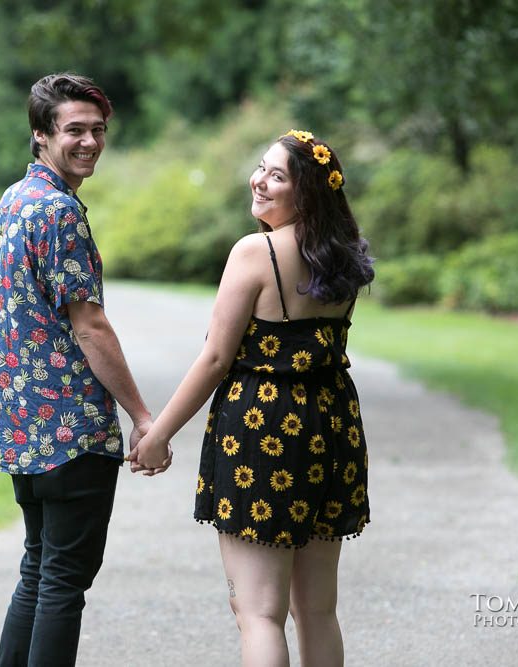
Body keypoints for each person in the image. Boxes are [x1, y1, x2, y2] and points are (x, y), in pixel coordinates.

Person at [131, 129, 375, 666]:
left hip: (265, 432)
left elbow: (216, 359)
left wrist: (159, 433)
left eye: (277, 175)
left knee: (259, 613)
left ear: (306, 194)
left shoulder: (256, 252)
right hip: (332, 425)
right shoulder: (342, 258)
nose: (259, 180)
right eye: (261, 168)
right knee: (316, 610)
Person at [0, 72, 168, 667]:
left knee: (40, 569)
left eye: (98, 130)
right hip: (71, 432)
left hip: (21, 430)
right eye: (74, 130)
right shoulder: (60, 213)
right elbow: (89, 325)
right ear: (41, 134)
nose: (90, 142)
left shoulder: (13, 201)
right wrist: (144, 417)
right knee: (62, 581)